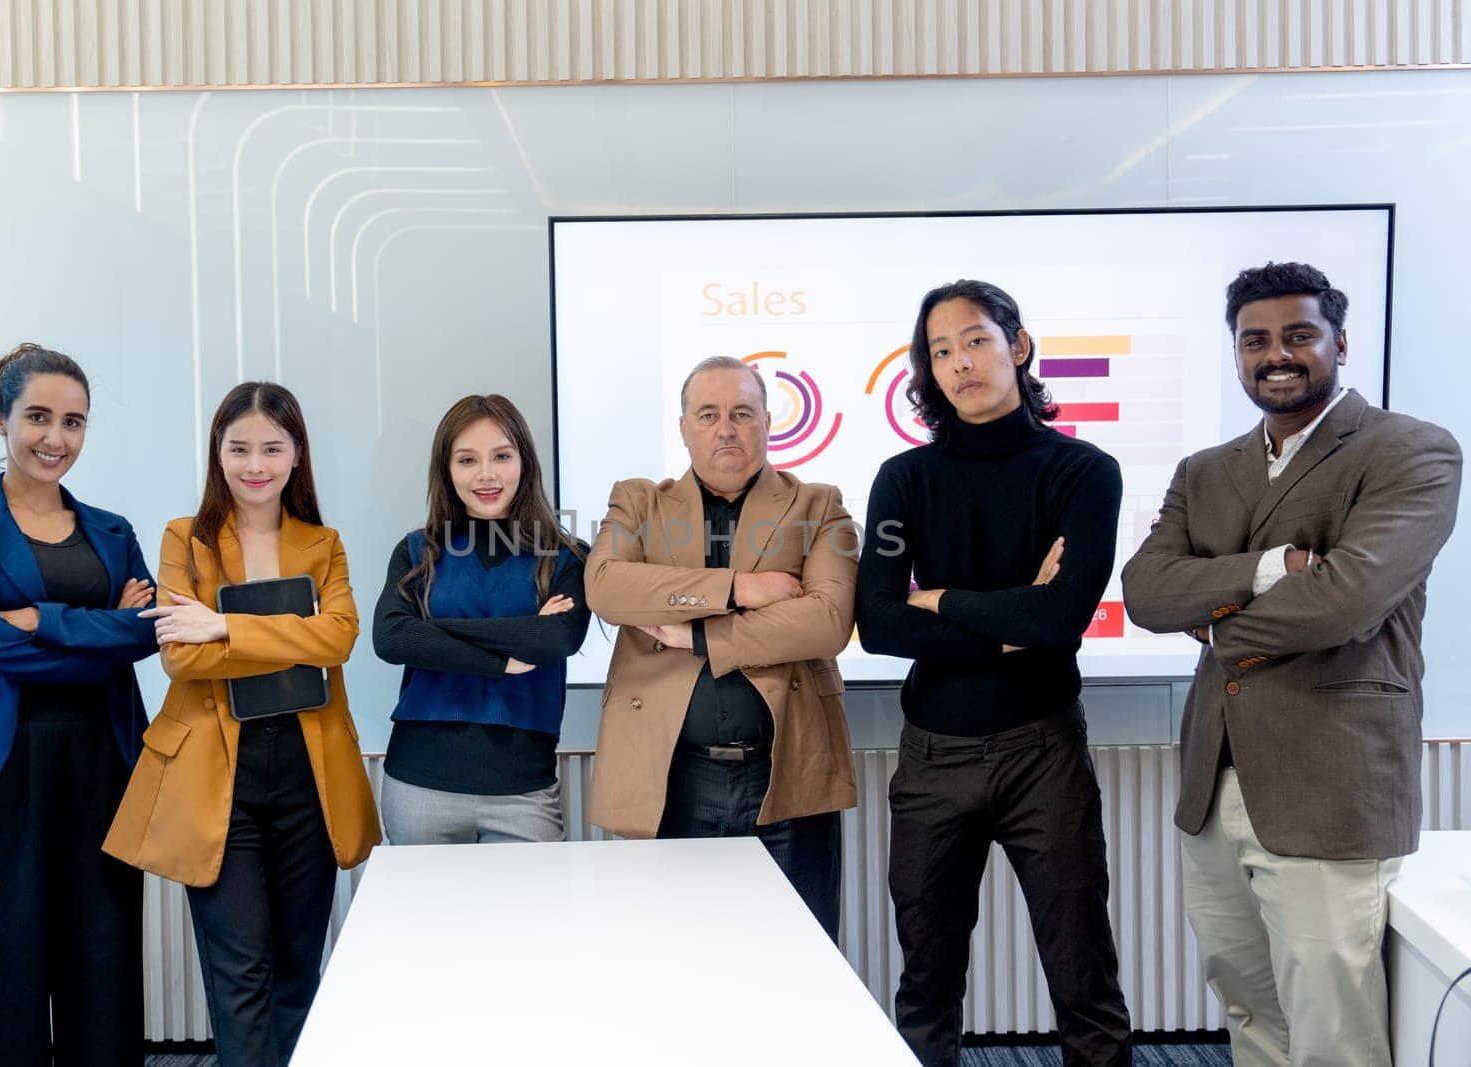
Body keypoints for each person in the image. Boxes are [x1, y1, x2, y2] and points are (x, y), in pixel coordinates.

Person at [1122, 262, 1462, 1066]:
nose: (1277, 354)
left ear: (1340, 342)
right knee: (1248, 1000)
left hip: (1331, 776)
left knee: (1330, 1021)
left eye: (1299, 335)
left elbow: (1347, 601)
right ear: (1237, 354)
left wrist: (1210, 624)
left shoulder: (1409, 449)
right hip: (1217, 776)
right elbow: (1144, 592)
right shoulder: (1205, 470)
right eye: (1256, 341)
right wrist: (1274, 566)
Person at [856, 280, 1132, 1066]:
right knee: (926, 983)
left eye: (975, 340)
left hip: (1042, 752)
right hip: (932, 756)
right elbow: (878, 624)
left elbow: (1057, 621)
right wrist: (1008, 622)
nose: (959, 362)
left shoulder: (1083, 471)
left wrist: (937, 597)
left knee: (1084, 978)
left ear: (1018, 345)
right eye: (939, 351)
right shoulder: (903, 480)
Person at [104, 382, 381, 1067]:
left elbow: (340, 637)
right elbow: (182, 655)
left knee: (297, 972)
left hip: (307, 773)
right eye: (239, 448)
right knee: (240, 979)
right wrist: (291, 632)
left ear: (295, 456)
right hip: (216, 776)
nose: (254, 463)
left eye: (271, 448)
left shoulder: (324, 543)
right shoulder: (185, 540)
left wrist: (226, 621)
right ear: (217, 453)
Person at [0, 343, 158, 1066]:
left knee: (104, 977)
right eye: (39, 417)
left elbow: (144, 636)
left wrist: (35, 617)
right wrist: (97, 627)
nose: (57, 438)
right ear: (0, 417)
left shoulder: (112, 530)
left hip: (103, 772)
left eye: (74, 422)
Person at [583, 355, 859, 937]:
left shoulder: (817, 504)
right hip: (672, 776)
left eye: (741, 413)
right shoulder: (638, 503)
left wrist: (702, 634)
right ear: (683, 427)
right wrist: (742, 588)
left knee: (798, 962)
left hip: (786, 771)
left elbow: (828, 620)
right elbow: (606, 587)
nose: (725, 428)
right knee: (673, 964)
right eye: (707, 415)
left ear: (767, 422)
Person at [372, 394, 590, 844]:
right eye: (467, 459)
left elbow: (554, 641)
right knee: (423, 918)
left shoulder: (566, 557)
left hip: (523, 791)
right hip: (419, 785)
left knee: (528, 918)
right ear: (447, 471)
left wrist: (432, 631)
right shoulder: (418, 552)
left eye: (502, 457)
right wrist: (503, 656)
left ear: (524, 462)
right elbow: (391, 639)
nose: (486, 474)